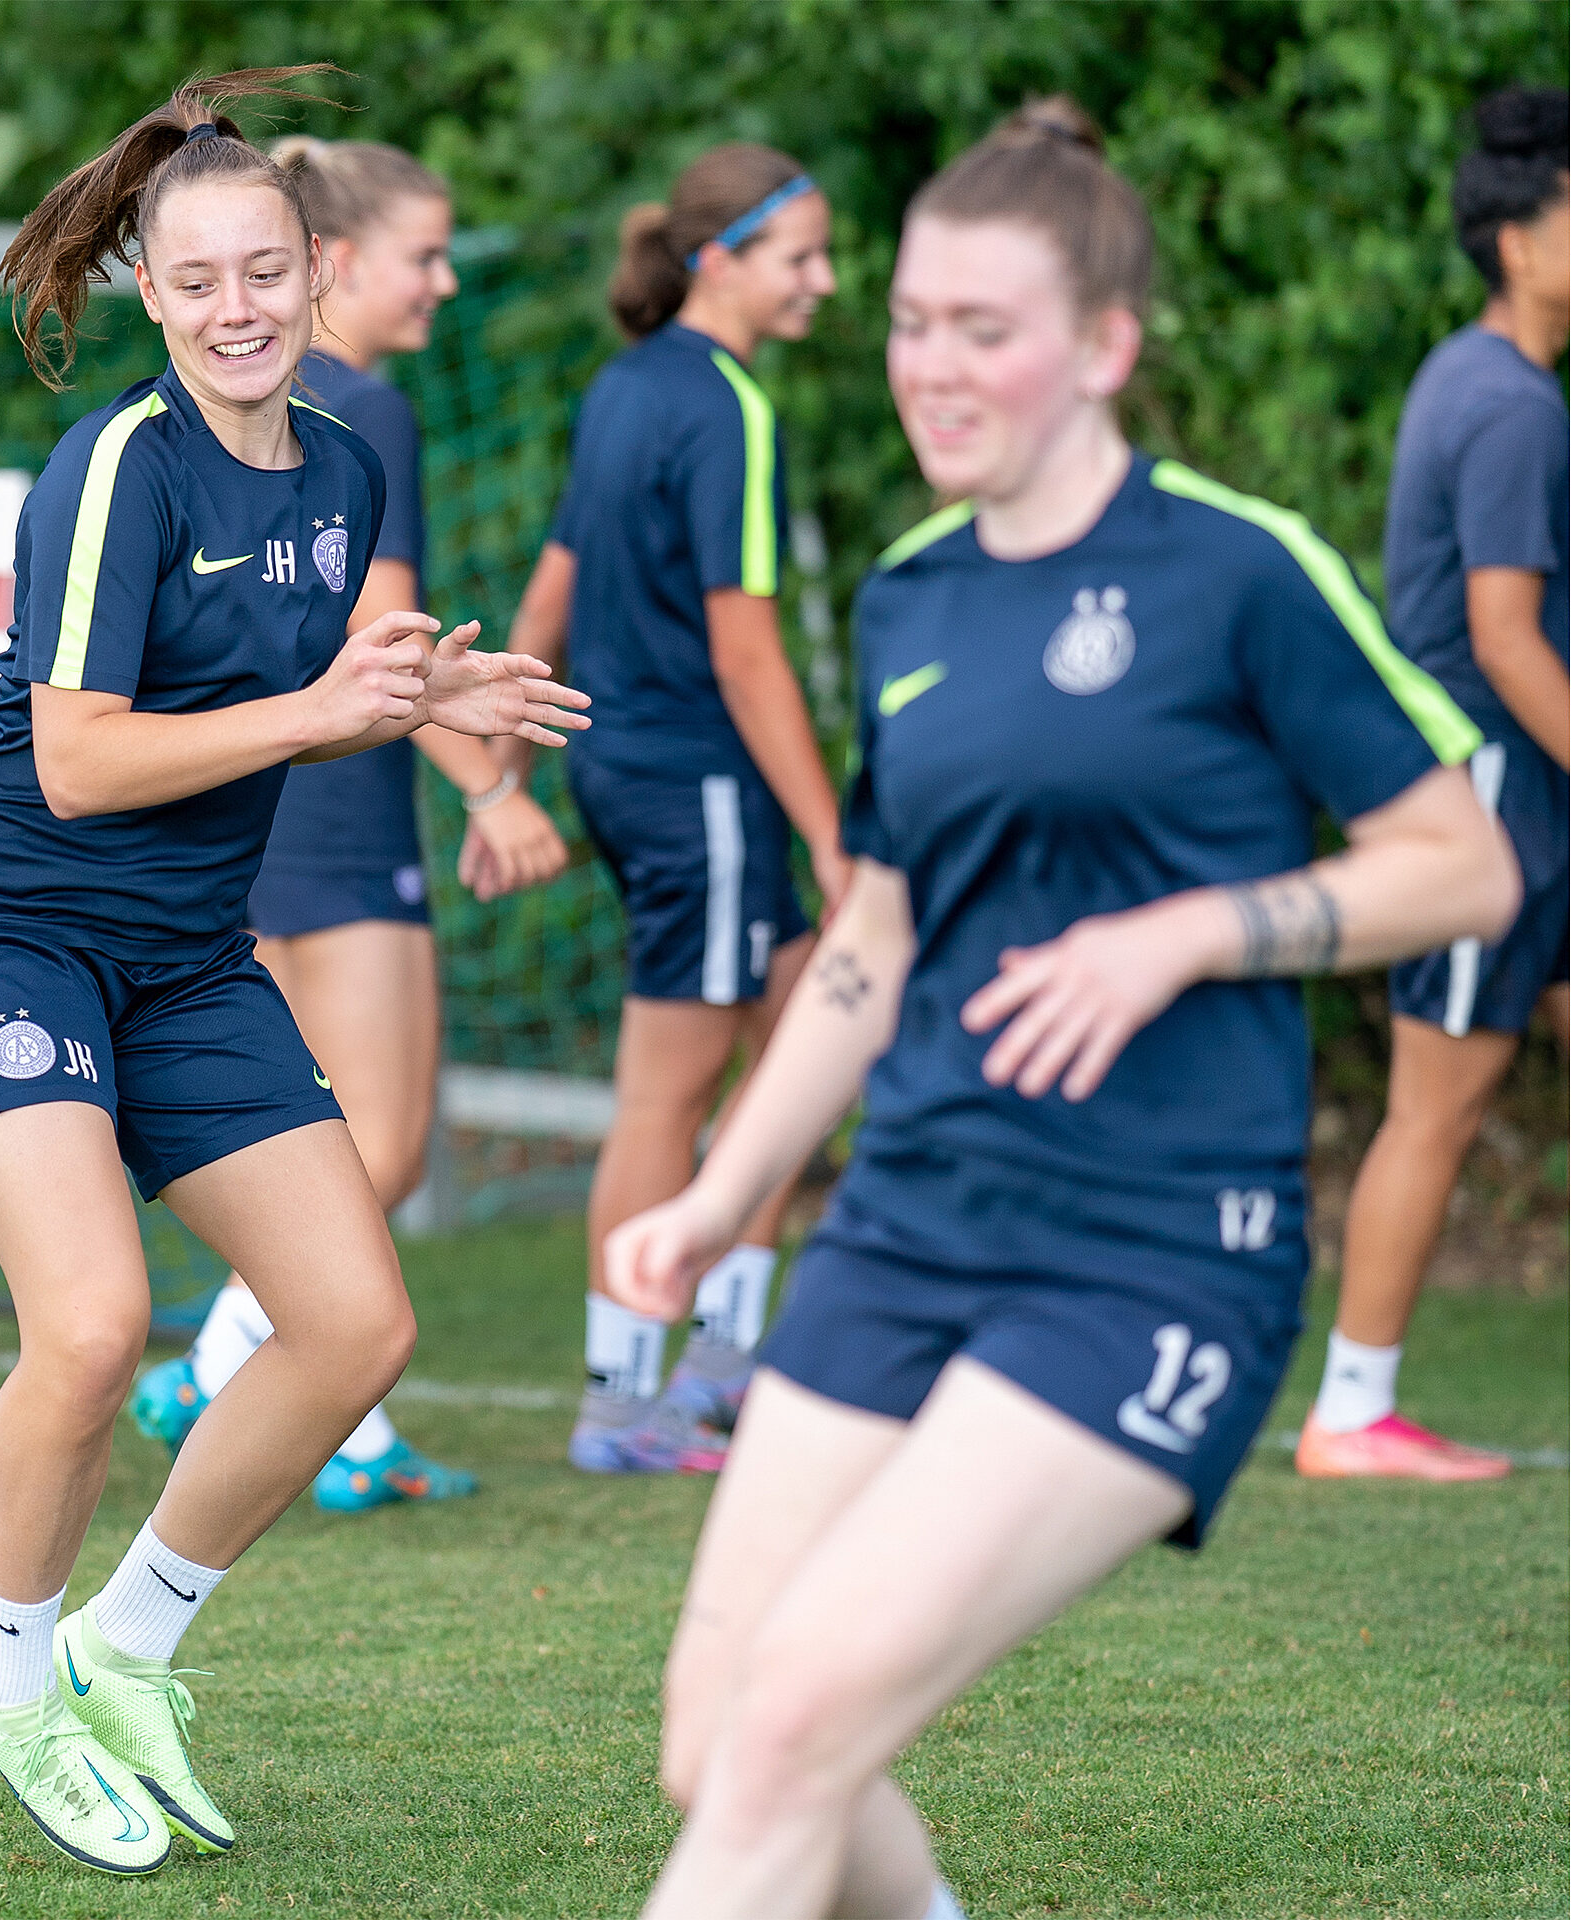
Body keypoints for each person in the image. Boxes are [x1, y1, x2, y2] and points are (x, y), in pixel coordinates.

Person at [601, 99, 1517, 1918]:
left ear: (1103, 346)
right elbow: (873, 931)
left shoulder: (1237, 570)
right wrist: (724, 1194)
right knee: (720, 1746)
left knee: (792, 1730)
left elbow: (1463, 864)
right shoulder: (907, 595)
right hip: (911, 1222)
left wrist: (1185, 933)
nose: (934, 365)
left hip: (1152, 1252)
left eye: (986, 329)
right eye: (914, 320)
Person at [0, 72, 587, 1874]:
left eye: (265, 272)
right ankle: (16, 1678)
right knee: (98, 1327)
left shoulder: (343, 471)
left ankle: (128, 1649)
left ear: (313, 271)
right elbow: (78, 760)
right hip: (7, 926)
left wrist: (435, 700)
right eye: (198, 284)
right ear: (152, 293)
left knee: (357, 1324)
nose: (238, 309)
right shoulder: (120, 464)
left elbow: (309, 682)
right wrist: (345, 706)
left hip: (186, 959)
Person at [131, 134, 569, 1512]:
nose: (442, 283)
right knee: (374, 1142)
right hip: (329, 801)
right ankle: (221, 1362)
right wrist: (492, 786)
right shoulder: (357, 407)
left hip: (250, 804)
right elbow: (376, 640)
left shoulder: (245, 408)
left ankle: (323, 1417)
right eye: (427, 255)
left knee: (324, 1129)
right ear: (343, 264)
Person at [503, 142, 844, 1474]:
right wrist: (831, 832)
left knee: (806, 1031)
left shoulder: (628, 385)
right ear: (721, 261)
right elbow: (747, 650)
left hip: (649, 773)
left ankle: (726, 1362)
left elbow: (558, 573)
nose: (824, 280)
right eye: (800, 256)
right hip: (692, 779)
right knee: (667, 1094)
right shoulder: (722, 406)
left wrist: (516, 749)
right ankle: (620, 1396)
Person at [1300, 85, 1568, 1483]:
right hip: (1492, 806)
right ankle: (1352, 1412)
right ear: (1520, 239)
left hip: (1538, 805)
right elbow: (1506, 641)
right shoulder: (1509, 405)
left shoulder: (1486, 381)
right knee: (1440, 1102)